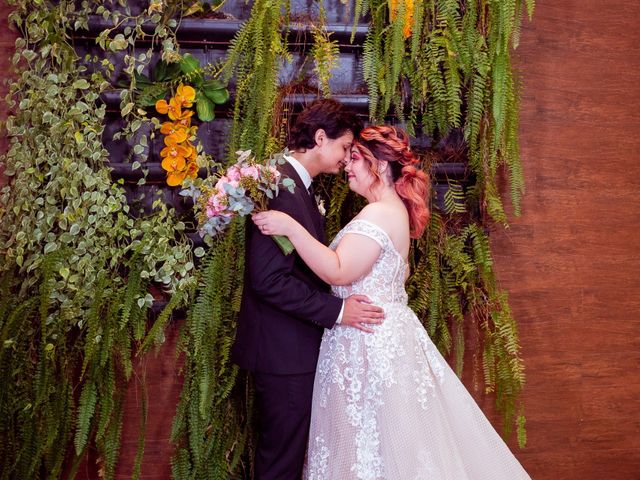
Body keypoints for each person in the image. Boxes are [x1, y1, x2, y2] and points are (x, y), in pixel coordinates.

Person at [253, 125, 532, 479]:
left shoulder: (380, 213)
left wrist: (291, 227)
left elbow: (338, 271)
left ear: (381, 166)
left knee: (374, 447)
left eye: (356, 159)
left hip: (368, 345)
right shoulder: (388, 210)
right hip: (371, 339)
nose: (348, 168)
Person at [232, 99, 385, 480]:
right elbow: (267, 279)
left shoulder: (296, 186)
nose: (347, 158)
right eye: (346, 147)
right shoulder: (280, 186)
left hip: (291, 351)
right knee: (281, 462)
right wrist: (337, 311)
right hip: (283, 354)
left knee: (285, 458)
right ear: (320, 138)